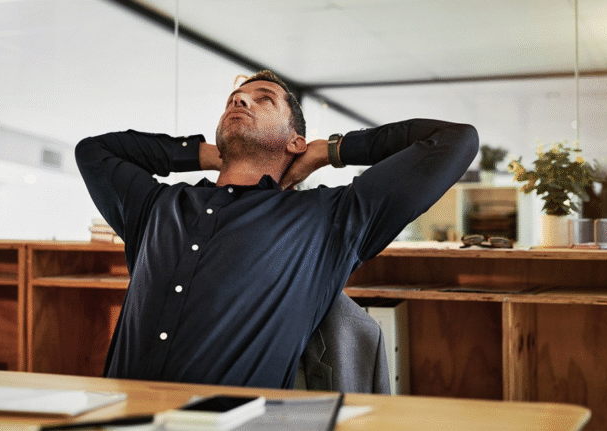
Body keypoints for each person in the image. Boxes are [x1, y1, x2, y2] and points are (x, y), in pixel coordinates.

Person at [75, 70, 478, 389]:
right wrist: (202, 153)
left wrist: (330, 150)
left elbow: (454, 140)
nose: (241, 99)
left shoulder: (328, 220)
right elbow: (93, 151)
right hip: (122, 417)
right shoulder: (157, 206)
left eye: (264, 99)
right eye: (235, 100)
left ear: (295, 141)